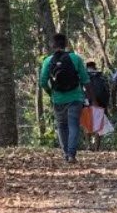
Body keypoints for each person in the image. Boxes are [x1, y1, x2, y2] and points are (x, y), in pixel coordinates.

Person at [38, 33, 89, 162]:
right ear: (66, 44)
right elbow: (85, 79)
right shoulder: (75, 58)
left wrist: (51, 93)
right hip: (75, 97)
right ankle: (72, 154)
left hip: (58, 98)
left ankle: (66, 154)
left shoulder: (48, 61)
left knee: (61, 126)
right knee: (73, 125)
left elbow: (43, 82)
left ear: (53, 45)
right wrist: (90, 98)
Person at [82, 61, 115, 150]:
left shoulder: (83, 75)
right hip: (99, 103)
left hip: (86, 102)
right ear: (95, 66)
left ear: (87, 67)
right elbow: (107, 91)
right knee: (98, 125)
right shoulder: (101, 76)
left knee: (87, 124)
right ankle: (97, 147)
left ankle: (88, 146)